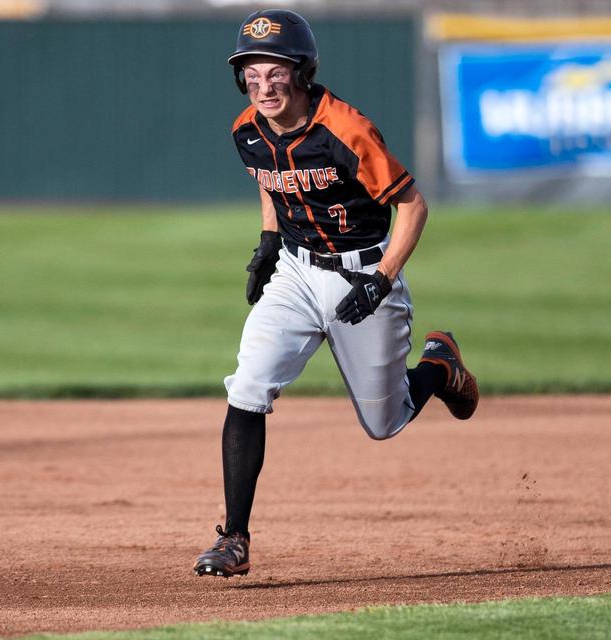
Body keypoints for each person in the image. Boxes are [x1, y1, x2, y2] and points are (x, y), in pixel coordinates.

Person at [192, 9, 479, 578]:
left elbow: (411, 204)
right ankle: (234, 539)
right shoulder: (246, 130)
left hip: (364, 270)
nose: (263, 84)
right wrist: (269, 242)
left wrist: (383, 277)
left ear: (300, 71)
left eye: (275, 72)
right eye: (252, 72)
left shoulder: (345, 130)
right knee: (248, 386)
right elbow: (271, 181)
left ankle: (439, 368)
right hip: (297, 274)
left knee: (385, 423)